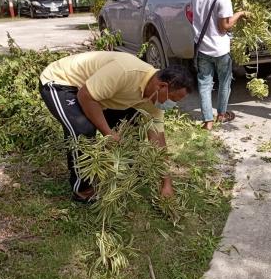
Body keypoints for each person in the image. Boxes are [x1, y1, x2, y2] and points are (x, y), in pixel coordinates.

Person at [39, 51, 194, 202]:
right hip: (62, 82)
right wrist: (108, 133)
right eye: (173, 99)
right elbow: (85, 96)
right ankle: (83, 189)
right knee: (82, 130)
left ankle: (121, 167)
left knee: (129, 127)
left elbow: (158, 141)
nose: (172, 104)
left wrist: (166, 183)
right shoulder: (125, 71)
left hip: (95, 92)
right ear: (162, 86)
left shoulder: (154, 97)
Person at [192, 0, 248, 131]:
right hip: (220, 50)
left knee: (204, 84)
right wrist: (240, 14)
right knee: (224, 82)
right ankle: (221, 115)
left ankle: (208, 121)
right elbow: (225, 26)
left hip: (202, 47)